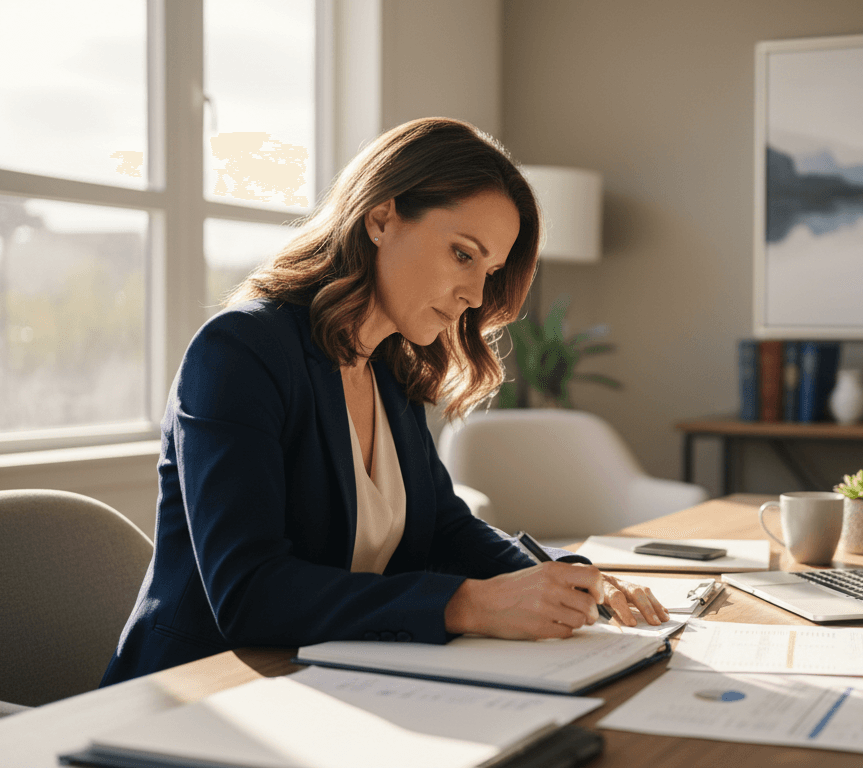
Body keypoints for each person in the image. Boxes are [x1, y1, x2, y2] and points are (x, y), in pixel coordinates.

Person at [101, 118, 667, 686]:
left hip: (325, 682)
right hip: (197, 694)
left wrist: (566, 580)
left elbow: (446, 527)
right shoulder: (239, 352)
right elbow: (249, 591)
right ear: (381, 218)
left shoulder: (389, 368)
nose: (475, 295)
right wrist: (466, 605)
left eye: (489, 270)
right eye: (463, 255)